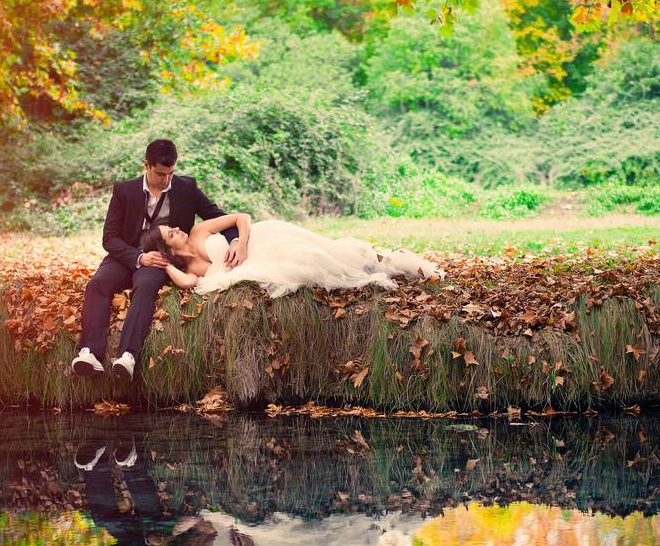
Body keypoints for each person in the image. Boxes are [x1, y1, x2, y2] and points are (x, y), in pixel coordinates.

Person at [72, 139, 249, 380]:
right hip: (127, 254)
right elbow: (110, 238)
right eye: (160, 174)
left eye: (170, 174)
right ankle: (90, 353)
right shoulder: (124, 190)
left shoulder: (186, 188)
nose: (166, 180)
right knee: (97, 284)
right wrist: (138, 256)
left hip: (160, 258)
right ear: (146, 165)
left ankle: (128, 357)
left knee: (144, 286)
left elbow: (218, 216)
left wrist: (235, 242)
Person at [141, 218, 442, 298]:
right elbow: (186, 284)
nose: (177, 229)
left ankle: (393, 262)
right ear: (167, 249)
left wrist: (241, 243)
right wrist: (164, 265)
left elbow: (241, 217)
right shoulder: (190, 267)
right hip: (262, 262)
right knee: (309, 263)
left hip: (261, 240)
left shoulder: (197, 231)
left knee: (328, 252)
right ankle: (383, 267)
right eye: (170, 233)